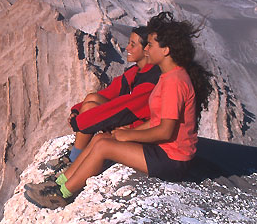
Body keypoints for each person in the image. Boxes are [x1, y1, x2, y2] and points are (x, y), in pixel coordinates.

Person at [25, 12, 212, 209]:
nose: (147, 49)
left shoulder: (174, 82)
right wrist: (127, 134)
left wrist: (129, 135)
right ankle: (60, 182)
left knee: (104, 147)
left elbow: (165, 131)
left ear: (165, 50)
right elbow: (157, 120)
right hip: (163, 150)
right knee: (100, 139)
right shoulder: (169, 77)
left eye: (151, 45)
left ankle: (61, 195)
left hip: (172, 160)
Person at [65, 26, 161, 163]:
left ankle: (74, 160)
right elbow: (110, 93)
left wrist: (81, 121)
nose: (127, 48)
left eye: (133, 45)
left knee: (90, 108)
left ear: (146, 50)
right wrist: (76, 110)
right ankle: (76, 156)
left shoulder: (151, 79)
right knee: (92, 98)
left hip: (138, 130)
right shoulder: (136, 71)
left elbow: (123, 108)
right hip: (131, 119)